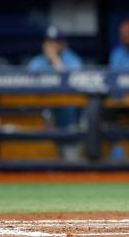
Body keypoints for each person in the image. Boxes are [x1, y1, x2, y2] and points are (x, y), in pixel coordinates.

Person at [27, 26, 83, 161]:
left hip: (69, 114)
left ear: (63, 45)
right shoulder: (37, 62)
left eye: (55, 42)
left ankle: (69, 150)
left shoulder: (72, 59)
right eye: (48, 42)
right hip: (45, 109)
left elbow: (73, 83)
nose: (50, 46)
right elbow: (28, 83)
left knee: (69, 107)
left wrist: (55, 60)